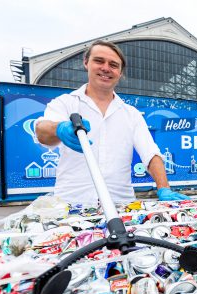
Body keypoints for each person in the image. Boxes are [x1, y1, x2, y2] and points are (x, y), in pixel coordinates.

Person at [35, 40, 188, 205]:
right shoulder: (65, 103)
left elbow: (151, 154)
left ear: (120, 73)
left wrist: (163, 187)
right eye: (99, 61)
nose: (106, 68)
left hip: (121, 205)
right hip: (71, 204)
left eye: (113, 65)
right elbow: (42, 131)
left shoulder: (131, 114)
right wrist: (59, 129)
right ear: (86, 63)